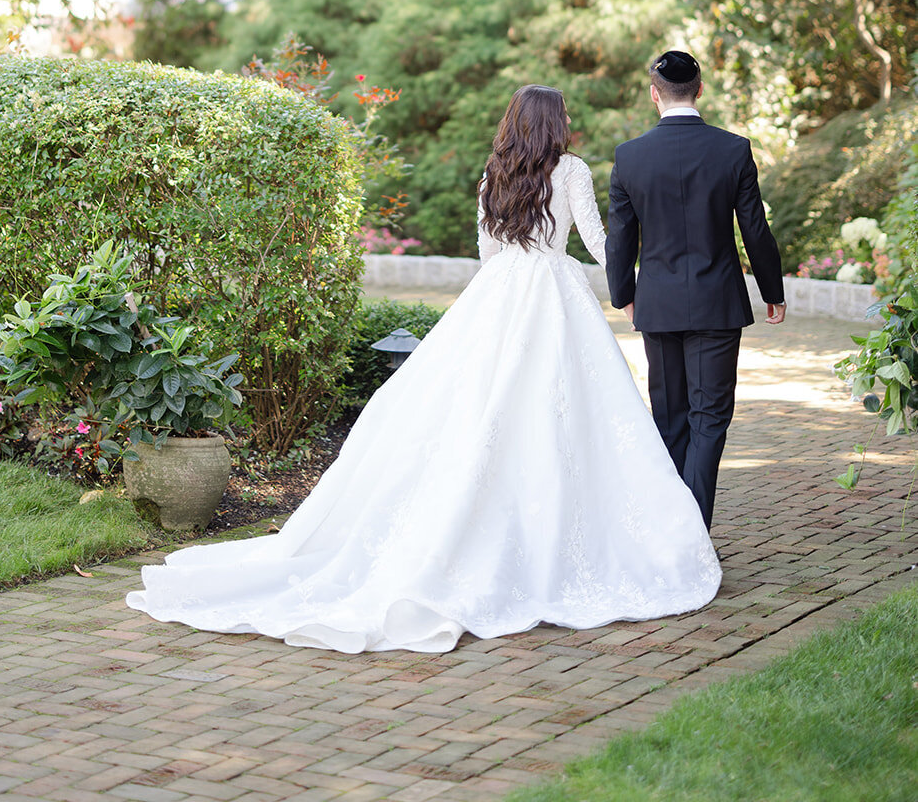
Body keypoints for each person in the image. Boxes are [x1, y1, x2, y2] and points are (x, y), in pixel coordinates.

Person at [127, 84, 721, 654]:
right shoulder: (572, 171)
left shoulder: (495, 174)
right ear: (555, 126)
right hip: (553, 294)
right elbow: (596, 241)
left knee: (483, 408)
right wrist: (646, 257)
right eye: (563, 117)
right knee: (563, 413)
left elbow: (489, 252)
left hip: (498, 295)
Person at [605, 51, 786, 530]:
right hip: (717, 303)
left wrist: (623, 293)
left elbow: (620, 237)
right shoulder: (733, 149)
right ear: (700, 90)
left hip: (658, 304)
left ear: (654, 94)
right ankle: (691, 531)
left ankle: (671, 531)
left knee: (670, 419)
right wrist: (773, 290)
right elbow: (756, 229)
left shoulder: (629, 156)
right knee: (709, 420)